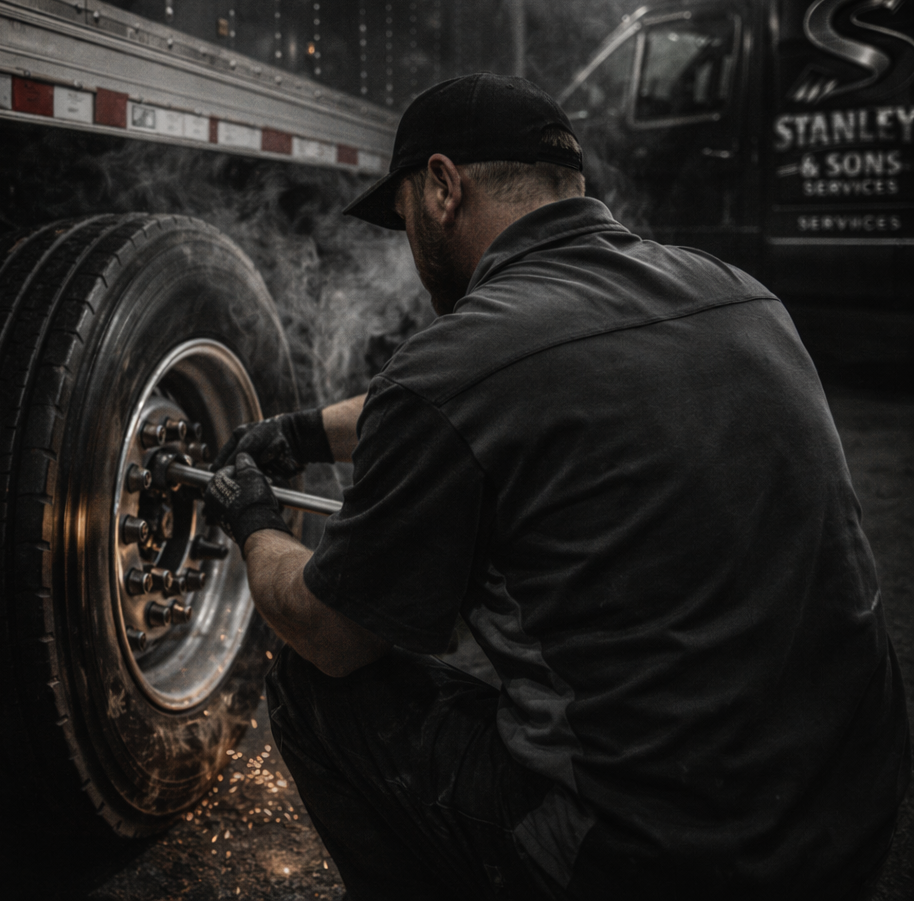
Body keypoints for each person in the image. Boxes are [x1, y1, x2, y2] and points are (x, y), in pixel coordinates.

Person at [202, 73, 910, 901]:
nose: (409, 247)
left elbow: (329, 631)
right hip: (855, 817)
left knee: (313, 684)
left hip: (661, 862)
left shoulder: (463, 359)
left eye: (400, 223)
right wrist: (303, 433)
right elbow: (505, 389)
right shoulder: (739, 294)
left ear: (441, 187)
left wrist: (253, 517)